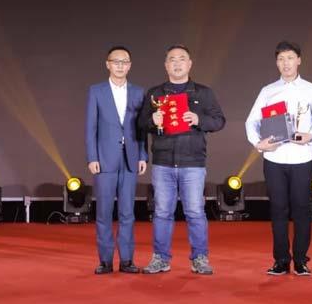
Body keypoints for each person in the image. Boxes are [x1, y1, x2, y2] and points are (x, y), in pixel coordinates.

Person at [138, 45, 226, 275]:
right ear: (166, 65)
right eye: (172, 59)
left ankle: (200, 258)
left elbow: (219, 121)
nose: (177, 63)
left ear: (189, 64)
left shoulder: (203, 93)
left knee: (195, 212)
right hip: (163, 162)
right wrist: (152, 120)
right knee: (162, 212)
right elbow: (141, 123)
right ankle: (160, 258)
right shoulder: (155, 94)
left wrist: (198, 119)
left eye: (181, 59)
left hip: (192, 163)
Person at [245, 41, 312, 276]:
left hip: (302, 158)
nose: (286, 63)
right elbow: (252, 121)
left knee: (302, 210)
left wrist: (311, 135)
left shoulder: (311, 89)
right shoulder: (268, 91)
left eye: (290, 58)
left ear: (298, 60)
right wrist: (258, 143)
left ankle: (300, 260)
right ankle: (281, 260)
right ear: (276, 63)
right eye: (281, 59)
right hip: (275, 159)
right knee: (278, 210)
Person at [85, 45, 148, 274]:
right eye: (116, 61)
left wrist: (143, 155)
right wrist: (92, 157)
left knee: (127, 212)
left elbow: (142, 128)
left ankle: (127, 260)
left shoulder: (139, 92)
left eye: (125, 62)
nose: (120, 66)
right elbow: (91, 127)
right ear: (108, 64)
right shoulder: (96, 91)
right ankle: (105, 260)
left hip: (130, 158)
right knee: (103, 212)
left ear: (129, 66)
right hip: (104, 159)